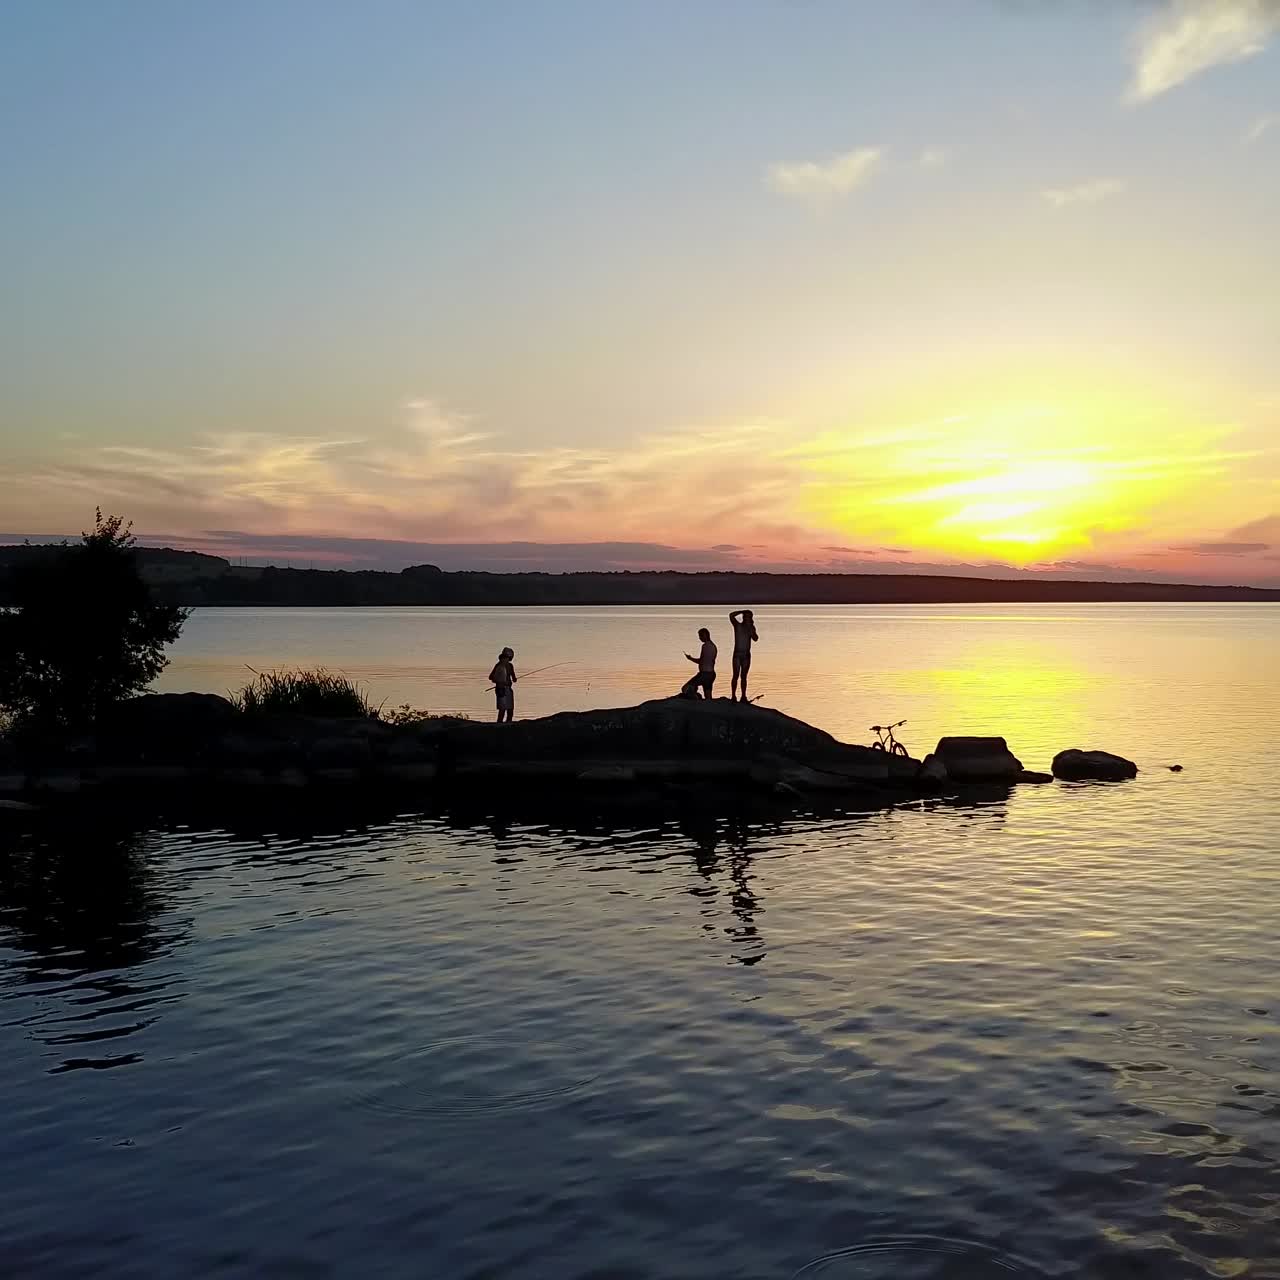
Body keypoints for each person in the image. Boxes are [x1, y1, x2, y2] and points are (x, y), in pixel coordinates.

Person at [728, 609, 758, 703]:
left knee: (744, 676)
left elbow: (755, 638)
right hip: (737, 654)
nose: (746, 619)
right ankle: (733, 696)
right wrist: (742, 611)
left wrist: (751, 631)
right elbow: (731, 615)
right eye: (745, 617)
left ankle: (743, 696)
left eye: (748, 617)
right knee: (735, 675)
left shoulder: (751, 627)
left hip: (746, 655)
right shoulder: (738, 626)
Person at [681, 627, 717, 700]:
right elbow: (710, 661)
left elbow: (701, 661)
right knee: (708, 696)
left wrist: (690, 658)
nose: (699, 638)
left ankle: (696, 697)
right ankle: (703, 700)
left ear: (706, 635)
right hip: (711, 674)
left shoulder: (705, 646)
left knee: (685, 688)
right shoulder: (714, 646)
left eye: (700, 636)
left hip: (704, 674)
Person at [489, 646, 517, 722]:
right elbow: (491, 677)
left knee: (510, 710)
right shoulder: (498, 666)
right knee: (502, 710)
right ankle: (499, 725)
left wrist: (514, 679)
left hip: (508, 689)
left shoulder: (510, 666)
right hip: (501, 689)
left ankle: (508, 724)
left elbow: (514, 678)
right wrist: (500, 681)